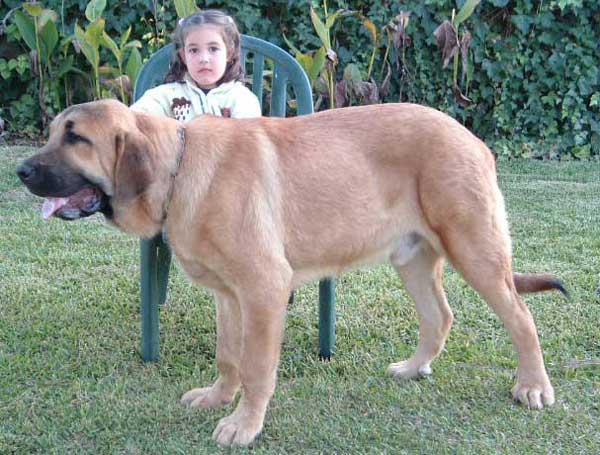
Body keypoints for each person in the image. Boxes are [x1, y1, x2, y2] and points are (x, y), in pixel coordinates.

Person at [131, 9, 261, 120]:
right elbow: (132, 119)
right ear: (183, 56)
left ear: (229, 54)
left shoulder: (242, 100)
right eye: (194, 50)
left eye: (213, 49)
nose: (204, 59)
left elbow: (247, 141)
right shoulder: (166, 95)